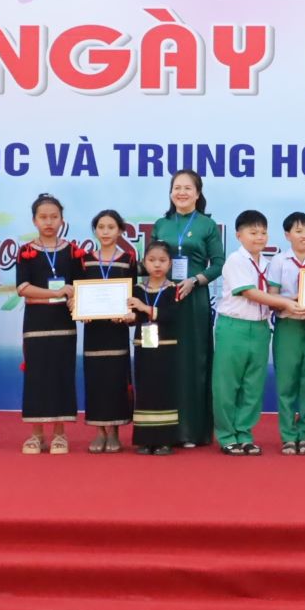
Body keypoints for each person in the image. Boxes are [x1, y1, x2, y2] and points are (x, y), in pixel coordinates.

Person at [214, 208, 299, 455]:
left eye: (263, 232)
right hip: (234, 328)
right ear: (239, 235)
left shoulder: (267, 262)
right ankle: (227, 435)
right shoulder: (235, 260)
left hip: (261, 328)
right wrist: (286, 303)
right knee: (227, 385)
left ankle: (245, 433)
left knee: (253, 385)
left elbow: (271, 296)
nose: (259, 237)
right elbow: (250, 292)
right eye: (253, 232)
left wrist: (296, 299)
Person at [154, 170, 224, 448]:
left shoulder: (207, 225)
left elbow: (219, 263)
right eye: (176, 187)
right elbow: (151, 259)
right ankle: (164, 429)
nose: (181, 192)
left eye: (187, 188)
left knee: (194, 361)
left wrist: (195, 280)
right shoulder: (162, 224)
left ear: (198, 193)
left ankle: (193, 431)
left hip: (194, 299)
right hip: (164, 297)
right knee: (165, 361)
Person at [16, 193, 81, 455]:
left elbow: (79, 287)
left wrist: (74, 296)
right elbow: (23, 288)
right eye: (43, 217)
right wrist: (57, 293)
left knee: (62, 376)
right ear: (34, 220)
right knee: (37, 377)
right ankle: (35, 434)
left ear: (62, 219)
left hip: (64, 324)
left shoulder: (72, 252)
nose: (49, 222)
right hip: (36, 324)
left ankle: (60, 434)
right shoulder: (26, 252)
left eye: (54, 217)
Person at [81, 209, 137, 453]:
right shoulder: (83, 259)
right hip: (93, 331)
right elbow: (78, 291)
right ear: (95, 230)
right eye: (101, 227)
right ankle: (98, 431)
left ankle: (114, 431)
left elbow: (133, 295)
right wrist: (80, 308)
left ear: (121, 231)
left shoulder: (128, 260)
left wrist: (128, 313)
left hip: (117, 330)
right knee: (96, 380)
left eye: (111, 227)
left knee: (116, 380)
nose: (105, 232)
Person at [266, 210, 305, 454]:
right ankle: (288, 434)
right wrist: (293, 301)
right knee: (287, 382)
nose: (304, 236)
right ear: (287, 235)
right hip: (287, 326)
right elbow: (271, 297)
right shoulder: (279, 261)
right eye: (298, 231)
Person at [130, 239, 182, 455]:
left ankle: (164, 440)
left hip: (166, 347)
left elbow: (172, 316)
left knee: (164, 391)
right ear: (144, 263)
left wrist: (145, 308)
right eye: (152, 260)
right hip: (144, 345)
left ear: (170, 264)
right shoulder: (136, 289)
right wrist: (127, 317)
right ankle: (144, 439)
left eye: (162, 260)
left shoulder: (175, 289)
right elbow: (135, 317)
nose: (157, 265)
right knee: (145, 390)